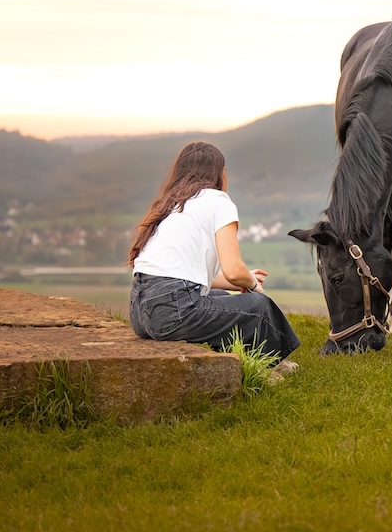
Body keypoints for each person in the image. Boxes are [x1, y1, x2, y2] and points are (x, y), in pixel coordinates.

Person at [128, 141, 300, 377]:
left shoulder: (171, 204)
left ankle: (248, 356)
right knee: (259, 307)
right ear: (220, 173)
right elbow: (232, 269)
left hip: (141, 314)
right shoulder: (218, 201)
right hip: (173, 312)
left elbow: (185, 274)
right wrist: (250, 285)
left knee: (218, 297)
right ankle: (269, 368)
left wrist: (245, 278)